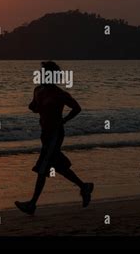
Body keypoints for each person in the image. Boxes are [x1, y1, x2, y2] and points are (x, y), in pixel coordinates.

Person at [15, 61, 94, 215]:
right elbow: (34, 107)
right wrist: (33, 107)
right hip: (45, 134)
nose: (42, 75)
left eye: (45, 73)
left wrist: (63, 120)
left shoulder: (60, 94)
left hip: (55, 134)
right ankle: (84, 187)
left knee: (42, 168)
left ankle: (32, 204)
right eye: (41, 72)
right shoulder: (38, 90)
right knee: (59, 167)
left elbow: (77, 108)